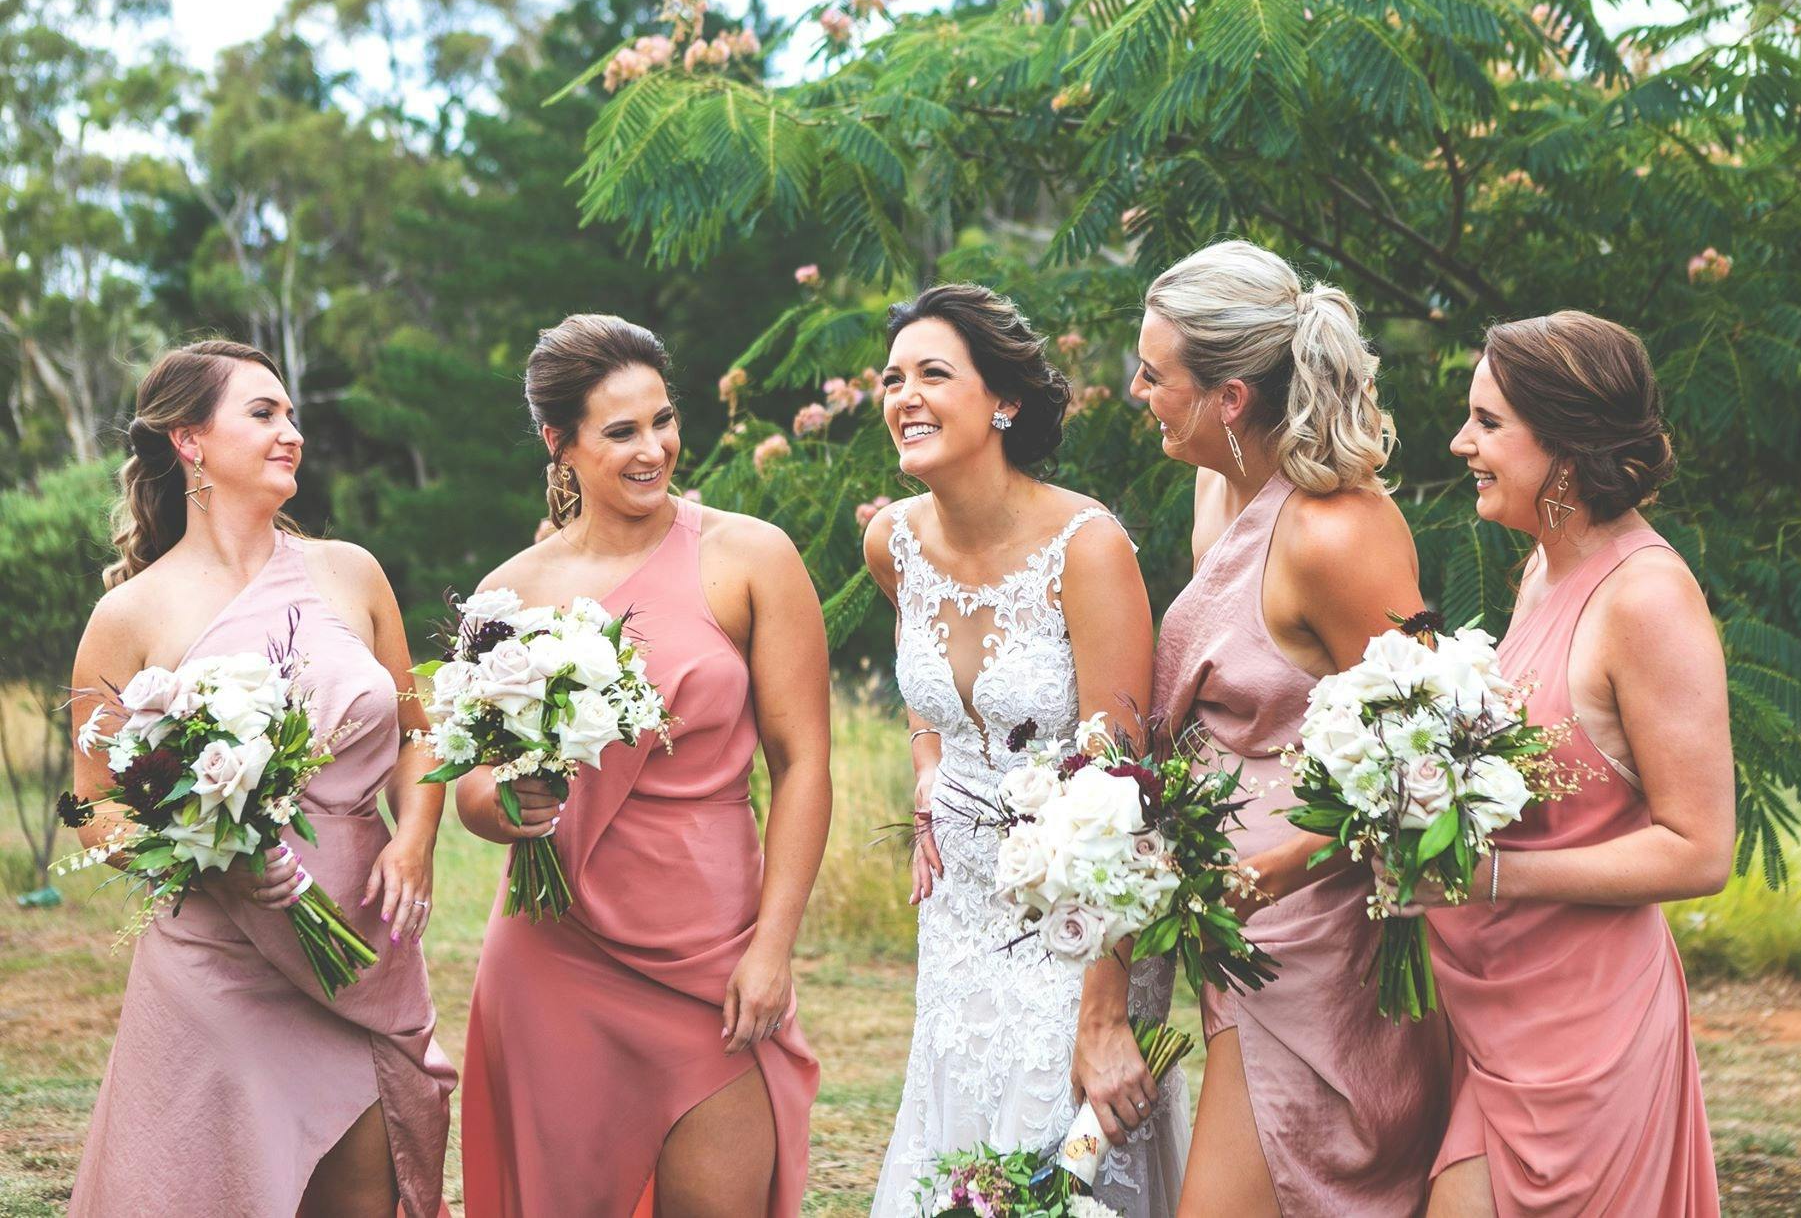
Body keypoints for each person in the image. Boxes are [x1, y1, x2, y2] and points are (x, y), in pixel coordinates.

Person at [67, 340, 454, 1218]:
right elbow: (91, 801)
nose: (292, 432)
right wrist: (201, 853)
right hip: (217, 964)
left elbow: (419, 734)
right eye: (263, 412)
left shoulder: (351, 572)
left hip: (359, 938)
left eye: (291, 413)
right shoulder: (128, 616)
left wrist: (419, 838)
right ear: (189, 441)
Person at [457, 314, 829, 1217]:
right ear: (561, 443)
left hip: (712, 948)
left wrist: (772, 946)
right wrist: (506, 801)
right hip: (556, 954)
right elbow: (466, 783)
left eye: (662, 419)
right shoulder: (506, 593)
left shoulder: (749, 556)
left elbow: (805, 761)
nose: (653, 447)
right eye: (621, 431)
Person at [1132, 241, 1449, 1216]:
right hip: (1236, 939)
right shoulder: (1210, 489)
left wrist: (1274, 868)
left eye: (1153, 373)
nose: (1135, 389)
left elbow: (1429, 751)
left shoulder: (1335, 531)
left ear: (1228, 399)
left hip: (1319, 937)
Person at [867, 284, 1187, 1216]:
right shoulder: (893, 543)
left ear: (1002, 400)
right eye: (892, 378)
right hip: (960, 917)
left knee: (1054, 1175)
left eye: (933, 373)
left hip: (1080, 927)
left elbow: (1130, 796)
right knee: (955, 1157)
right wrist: (930, 760)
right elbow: (928, 687)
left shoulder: (1087, 549)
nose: (904, 395)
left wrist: (1106, 1014)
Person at [1415, 309, 1730, 1216]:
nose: (1461, 441)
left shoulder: (1649, 597)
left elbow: (1699, 848)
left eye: (1488, 422)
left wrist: (1492, 874)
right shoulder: (1541, 570)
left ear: (1564, 444)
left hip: (1587, 1037)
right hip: (1495, 1014)